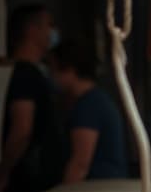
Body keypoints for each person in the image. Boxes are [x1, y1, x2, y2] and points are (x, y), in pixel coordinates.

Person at [0, 4, 63, 192]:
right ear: (32, 30)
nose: (53, 32)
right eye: (48, 25)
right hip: (21, 190)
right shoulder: (24, 75)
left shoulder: (35, 73)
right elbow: (22, 130)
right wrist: (2, 177)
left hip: (32, 187)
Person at [49, 38, 128, 182]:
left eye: (53, 69)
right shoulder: (96, 99)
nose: (52, 76)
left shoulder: (88, 106)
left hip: (97, 191)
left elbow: (80, 163)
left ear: (69, 70)